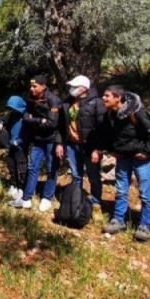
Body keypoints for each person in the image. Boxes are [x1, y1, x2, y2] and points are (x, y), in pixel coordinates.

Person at [93, 85, 150, 241]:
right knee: (121, 190)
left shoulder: (137, 113)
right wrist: (111, 150)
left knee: (145, 194)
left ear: (118, 98)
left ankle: (145, 225)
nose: (103, 98)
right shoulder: (110, 114)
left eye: (107, 96)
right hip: (123, 158)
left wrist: (146, 152)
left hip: (140, 160)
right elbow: (108, 135)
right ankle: (118, 220)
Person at [10, 75, 62, 212]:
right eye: (31, 86)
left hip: (51, 140)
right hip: (37, 140)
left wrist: (35, 121)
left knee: (52, 169)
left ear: (43, 86)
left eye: (35, 86)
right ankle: (27, 198)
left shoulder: (53, 100)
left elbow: (52, 124)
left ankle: (47, 198)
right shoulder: (31, 98)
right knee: (33, 167)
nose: (31, 89)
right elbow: (26, 118)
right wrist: (40, 121)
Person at [57, 75, 105, 210]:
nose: (71, 89)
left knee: (93, 175)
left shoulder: (96, 103)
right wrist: (60, 143)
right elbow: (61, 126)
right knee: (76, 174)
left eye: (74, 87)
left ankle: (96, 201)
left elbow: (102, 128)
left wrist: (98, 148)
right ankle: (76, 200)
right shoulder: (67, 103)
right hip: (72, 145)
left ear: (83, 89)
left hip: (90, 146)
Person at [0, 95, 28, 200]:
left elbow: (28, 133)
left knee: (21, 167)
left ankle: (22, 188)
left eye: (13, 108)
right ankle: (14, 185)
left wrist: (19, 141)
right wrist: (1, 124)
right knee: (11, 165)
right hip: (11, 144)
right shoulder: (12, 115)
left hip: (21, 146)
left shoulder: (25, 116)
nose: (12, 110)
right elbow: (6, 122)